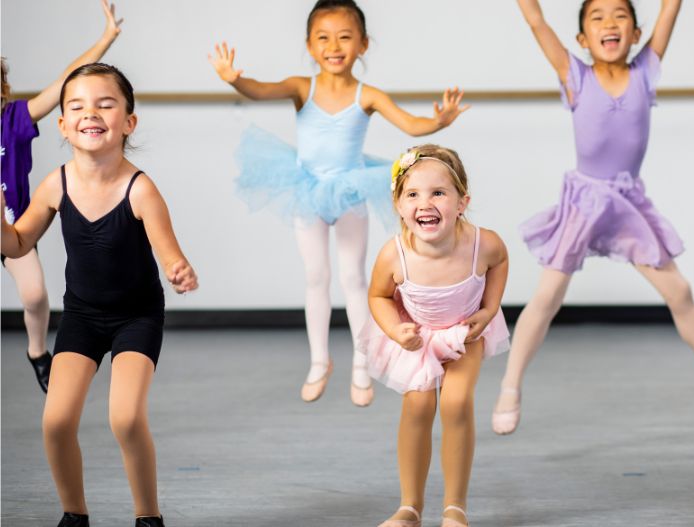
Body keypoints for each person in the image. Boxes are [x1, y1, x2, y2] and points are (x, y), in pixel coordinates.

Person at [492, 0, 694, 435]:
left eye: (621, 15)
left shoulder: (646, 72)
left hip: (628, 203)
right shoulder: (576, 76)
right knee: (547, 297)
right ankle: (510, 386)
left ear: (637, 33)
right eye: (598, 17)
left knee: (679, 291)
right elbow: (535, 20)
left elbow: (670, 10)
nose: (610, 23)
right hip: (584, 201)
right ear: (582, 40)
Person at [208, 0, 468, 407]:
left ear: (363, 44)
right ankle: (319, 362)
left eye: (345, 37)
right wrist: (233, 80)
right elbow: (260, 91)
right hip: (306, 189)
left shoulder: (367, 95)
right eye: (323, 38)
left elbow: (409, 124)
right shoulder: (301, 87)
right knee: (316, 277)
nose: (334, 46)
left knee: (354, 279)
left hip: (349, 191)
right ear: (310, 46)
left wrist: (439, 122)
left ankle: (362, 365)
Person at [1, 63, 198, 527]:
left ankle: (148, 516)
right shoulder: (56, 183)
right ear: (63, 125)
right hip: (83, 318)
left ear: (128, 121)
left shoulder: (140, 188)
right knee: (55, 422)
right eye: (78, 106)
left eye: (105, 104)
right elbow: (16, 243)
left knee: (126, 419)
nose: (91, 113)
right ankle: (74, 514)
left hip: (137, 318)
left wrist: (179, 270)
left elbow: (170, 252)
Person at [361, 145, 509, 527]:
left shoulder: (483, 244)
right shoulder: (394, 255)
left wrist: (489, 309)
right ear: (398, 204)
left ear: (462, 202)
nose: (425, 203)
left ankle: (454, 507)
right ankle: (409, 507)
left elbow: (500, 261)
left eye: (438, 193)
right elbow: (377, 296)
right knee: (419, 407)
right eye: (413, 194)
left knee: (456, 403)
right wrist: (395, 330)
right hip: (417, 336)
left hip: (465, 333)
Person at [1, 0, 123, 393]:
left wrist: (104, 39)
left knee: (35, 295)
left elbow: (65, 80)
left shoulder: (15, 120)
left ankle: (38, 353)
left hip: (13, 227)